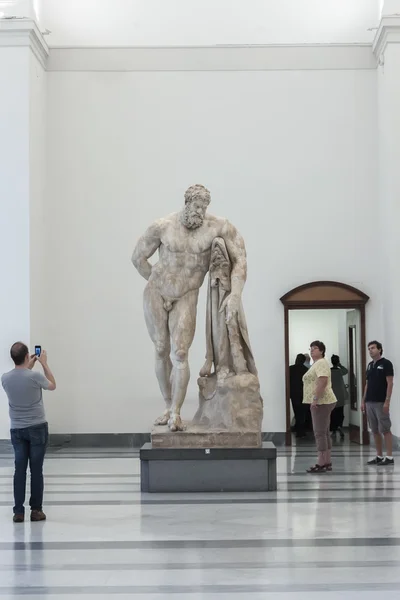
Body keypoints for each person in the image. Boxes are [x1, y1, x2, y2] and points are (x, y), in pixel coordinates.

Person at [132, 184, 247, 432]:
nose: (201, 211)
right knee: (161, 348)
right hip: (156, 291)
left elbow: (240, 259)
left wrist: (236, 293)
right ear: (186, 203)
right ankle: (166, 405)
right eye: (197, 206)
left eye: (204, 207)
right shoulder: (162, 226)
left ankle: (176, 412)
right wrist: (156, 280)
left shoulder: (218, 226)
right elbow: (137, 257)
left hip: (187, 295)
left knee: (180, 353)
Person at [1, 342, 56, 523]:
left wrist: (28, 365)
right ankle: (36, 510)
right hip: (37, 428)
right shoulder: (35, 376)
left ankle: (18, 511)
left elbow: (22, 377)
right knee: (36, 470)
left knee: (19, 470)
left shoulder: (5, 378)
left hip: (17, 429)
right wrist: (44, 363)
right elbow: (52, 385)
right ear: (27, 356)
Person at [303, 341, 337, 473]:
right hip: (324, 401)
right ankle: (327, 461)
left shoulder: (321, 362)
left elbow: (323, 381)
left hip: (322, 402)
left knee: (319, 433)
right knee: (324, 432)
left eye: (315, 348)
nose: (312, 351)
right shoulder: (317, 364)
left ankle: (321, 462)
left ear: (322, 351)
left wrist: (315, 399)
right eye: (310, 348)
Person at [362, 341, 394, 466]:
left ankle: (389, 457)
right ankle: (379, 455)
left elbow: (390, 383)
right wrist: (363, 400)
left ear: (380, 349)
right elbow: (367, 384)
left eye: (373, 348)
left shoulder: (386, 364)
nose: (370, 350)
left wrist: (387, 401)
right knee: (374, 430)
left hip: (381, 402)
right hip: (369, 402)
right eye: (369, 348)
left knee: (385, 429)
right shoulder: (370, 365)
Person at [289, 354, 308, 438]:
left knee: (296, 411)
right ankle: (301, 430)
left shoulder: (290, 369)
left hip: (294, 394)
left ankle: (298, 429)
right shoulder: (306, 370)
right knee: (302, 413)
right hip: (304, 394)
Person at [330, 354, 348, 440]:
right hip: (340, 395)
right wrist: (339, 365)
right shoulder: (340, 371)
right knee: (340, 413)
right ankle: (340, 426)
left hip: (331, 395)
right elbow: (346, 371)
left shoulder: (329, 372)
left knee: (332, 413)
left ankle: (333, 430)